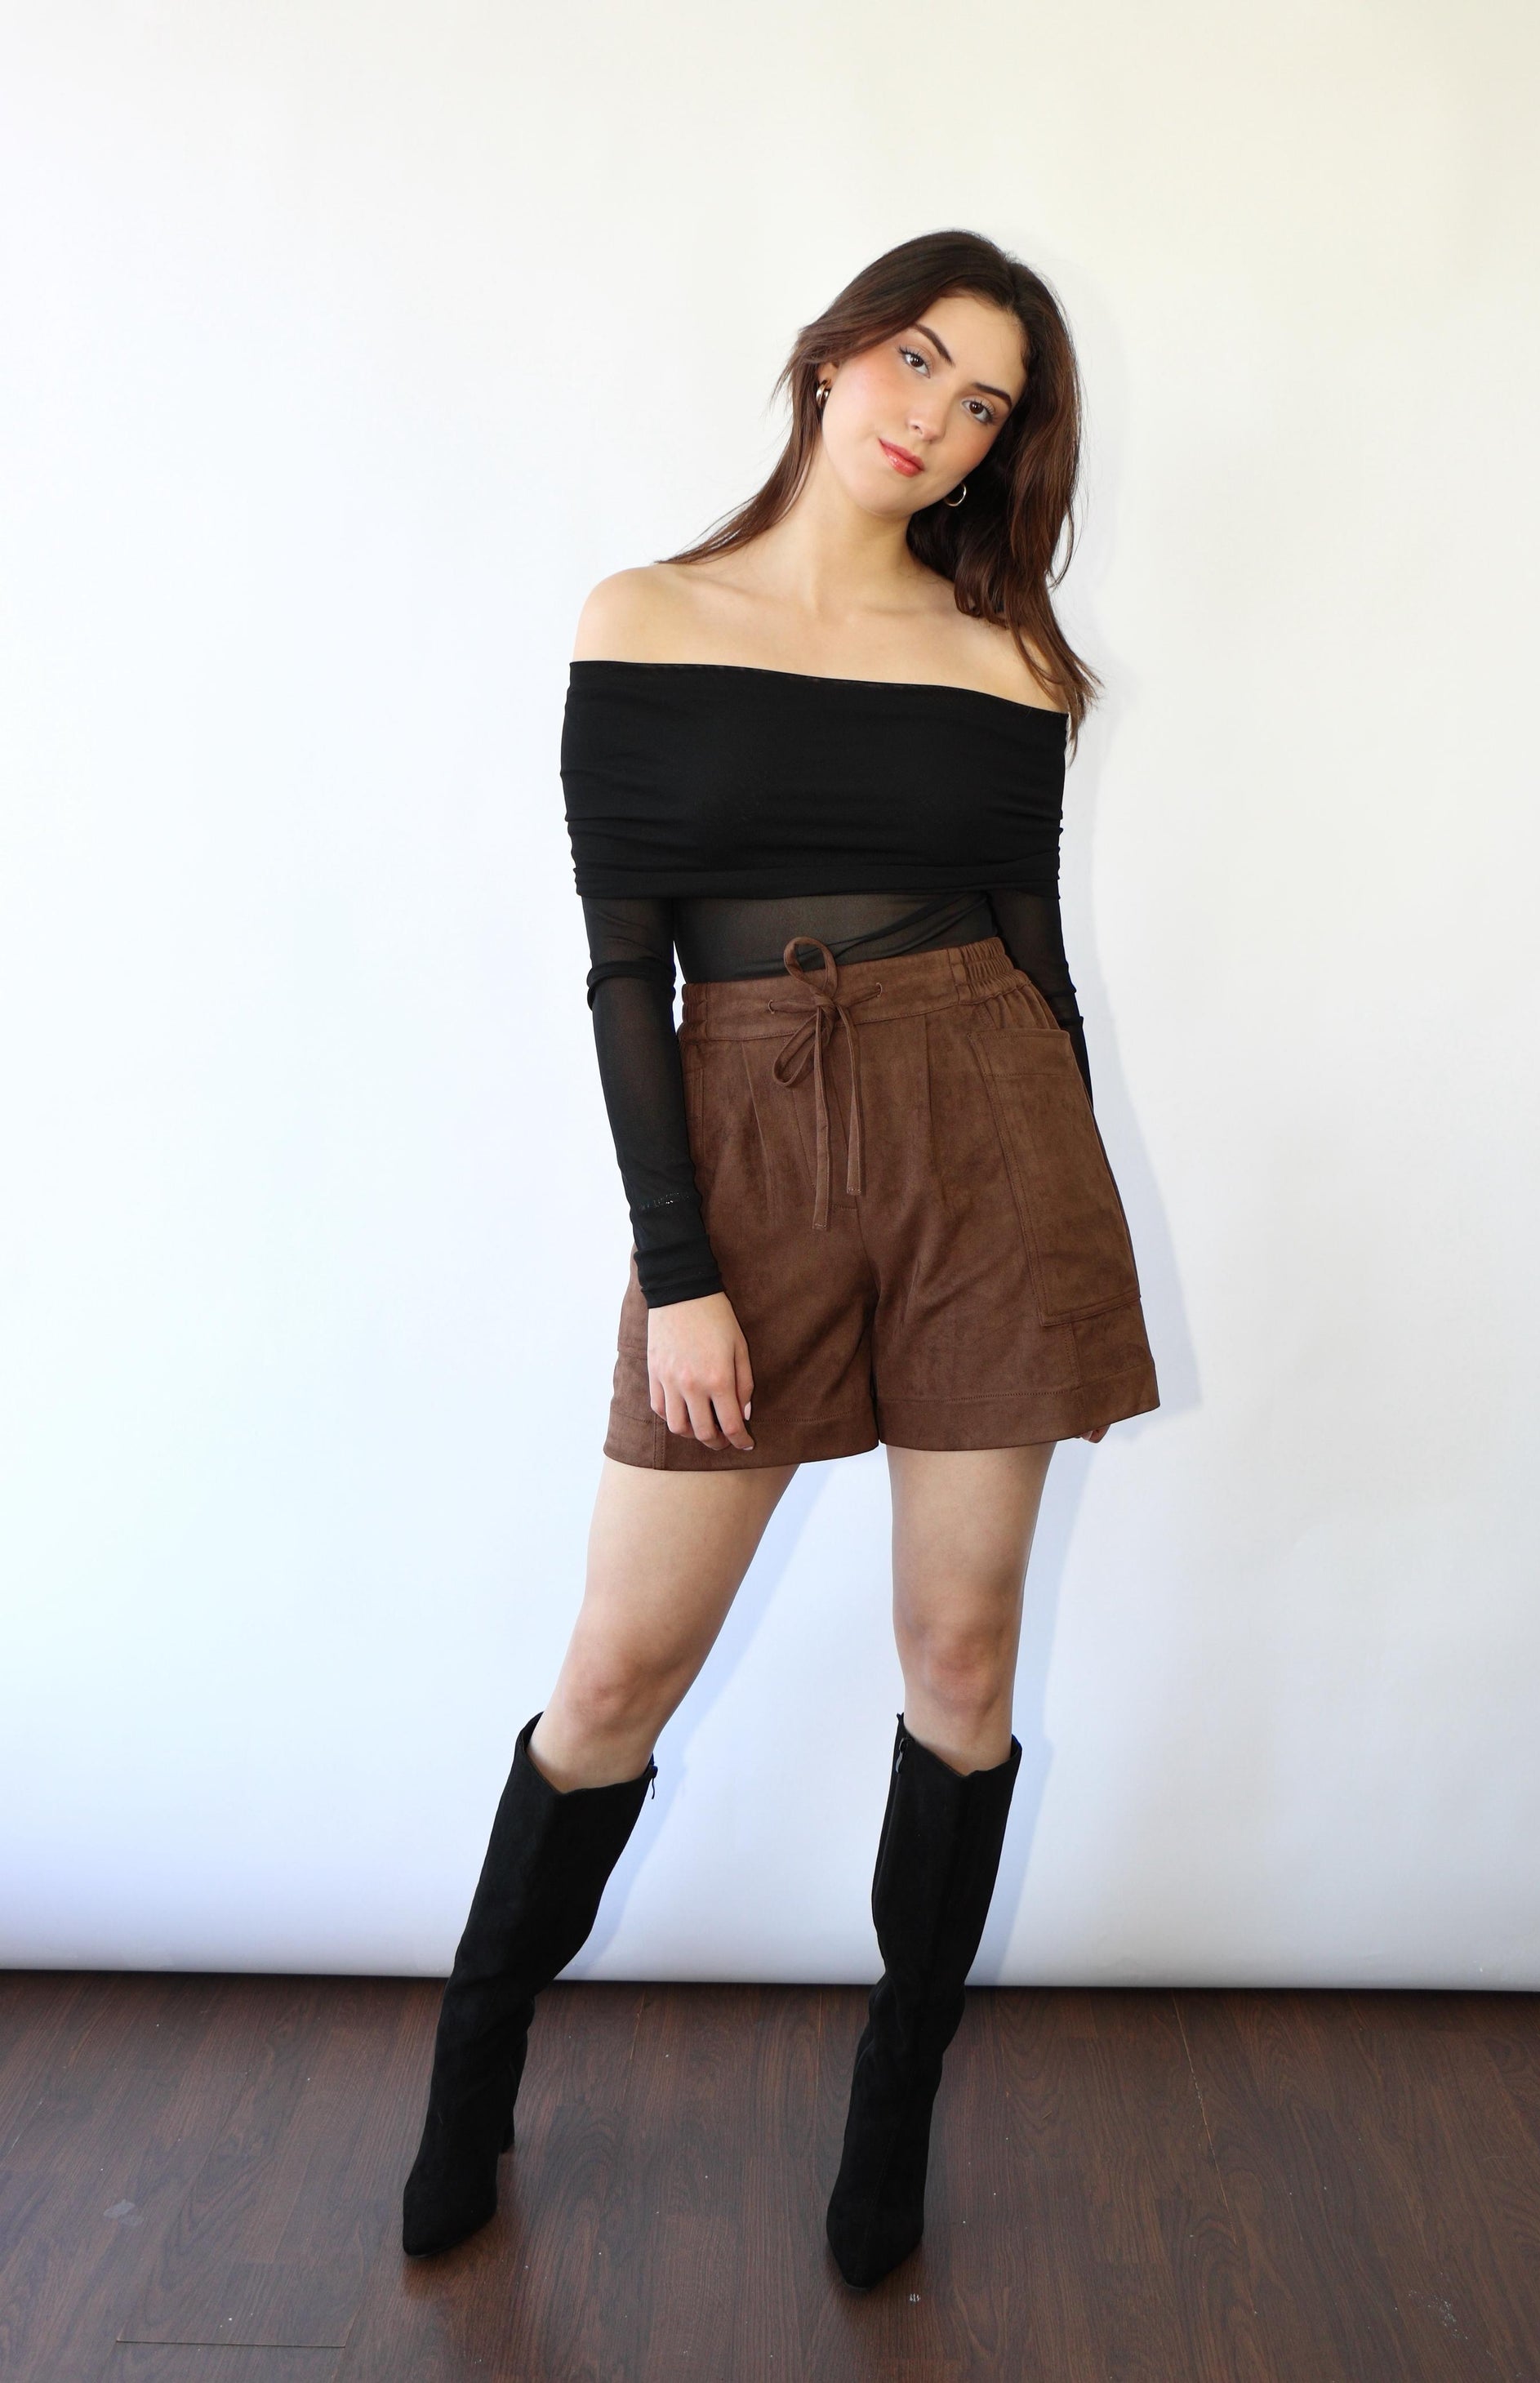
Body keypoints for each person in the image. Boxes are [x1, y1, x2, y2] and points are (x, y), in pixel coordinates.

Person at [401, 229, 1159, 2285]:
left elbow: (1036, 968)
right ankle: (473, 2066)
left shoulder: (1004, 658)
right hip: (741, 1153)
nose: (935, 419)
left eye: (984, 406)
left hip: (990, 1146)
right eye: (916, 361)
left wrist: (1059, 1229)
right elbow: (623, 974)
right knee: (614, 1672)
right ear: (832, 357)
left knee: (961, 1660)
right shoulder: (646, 616)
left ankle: (891, 2112)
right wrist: (682, 1270)